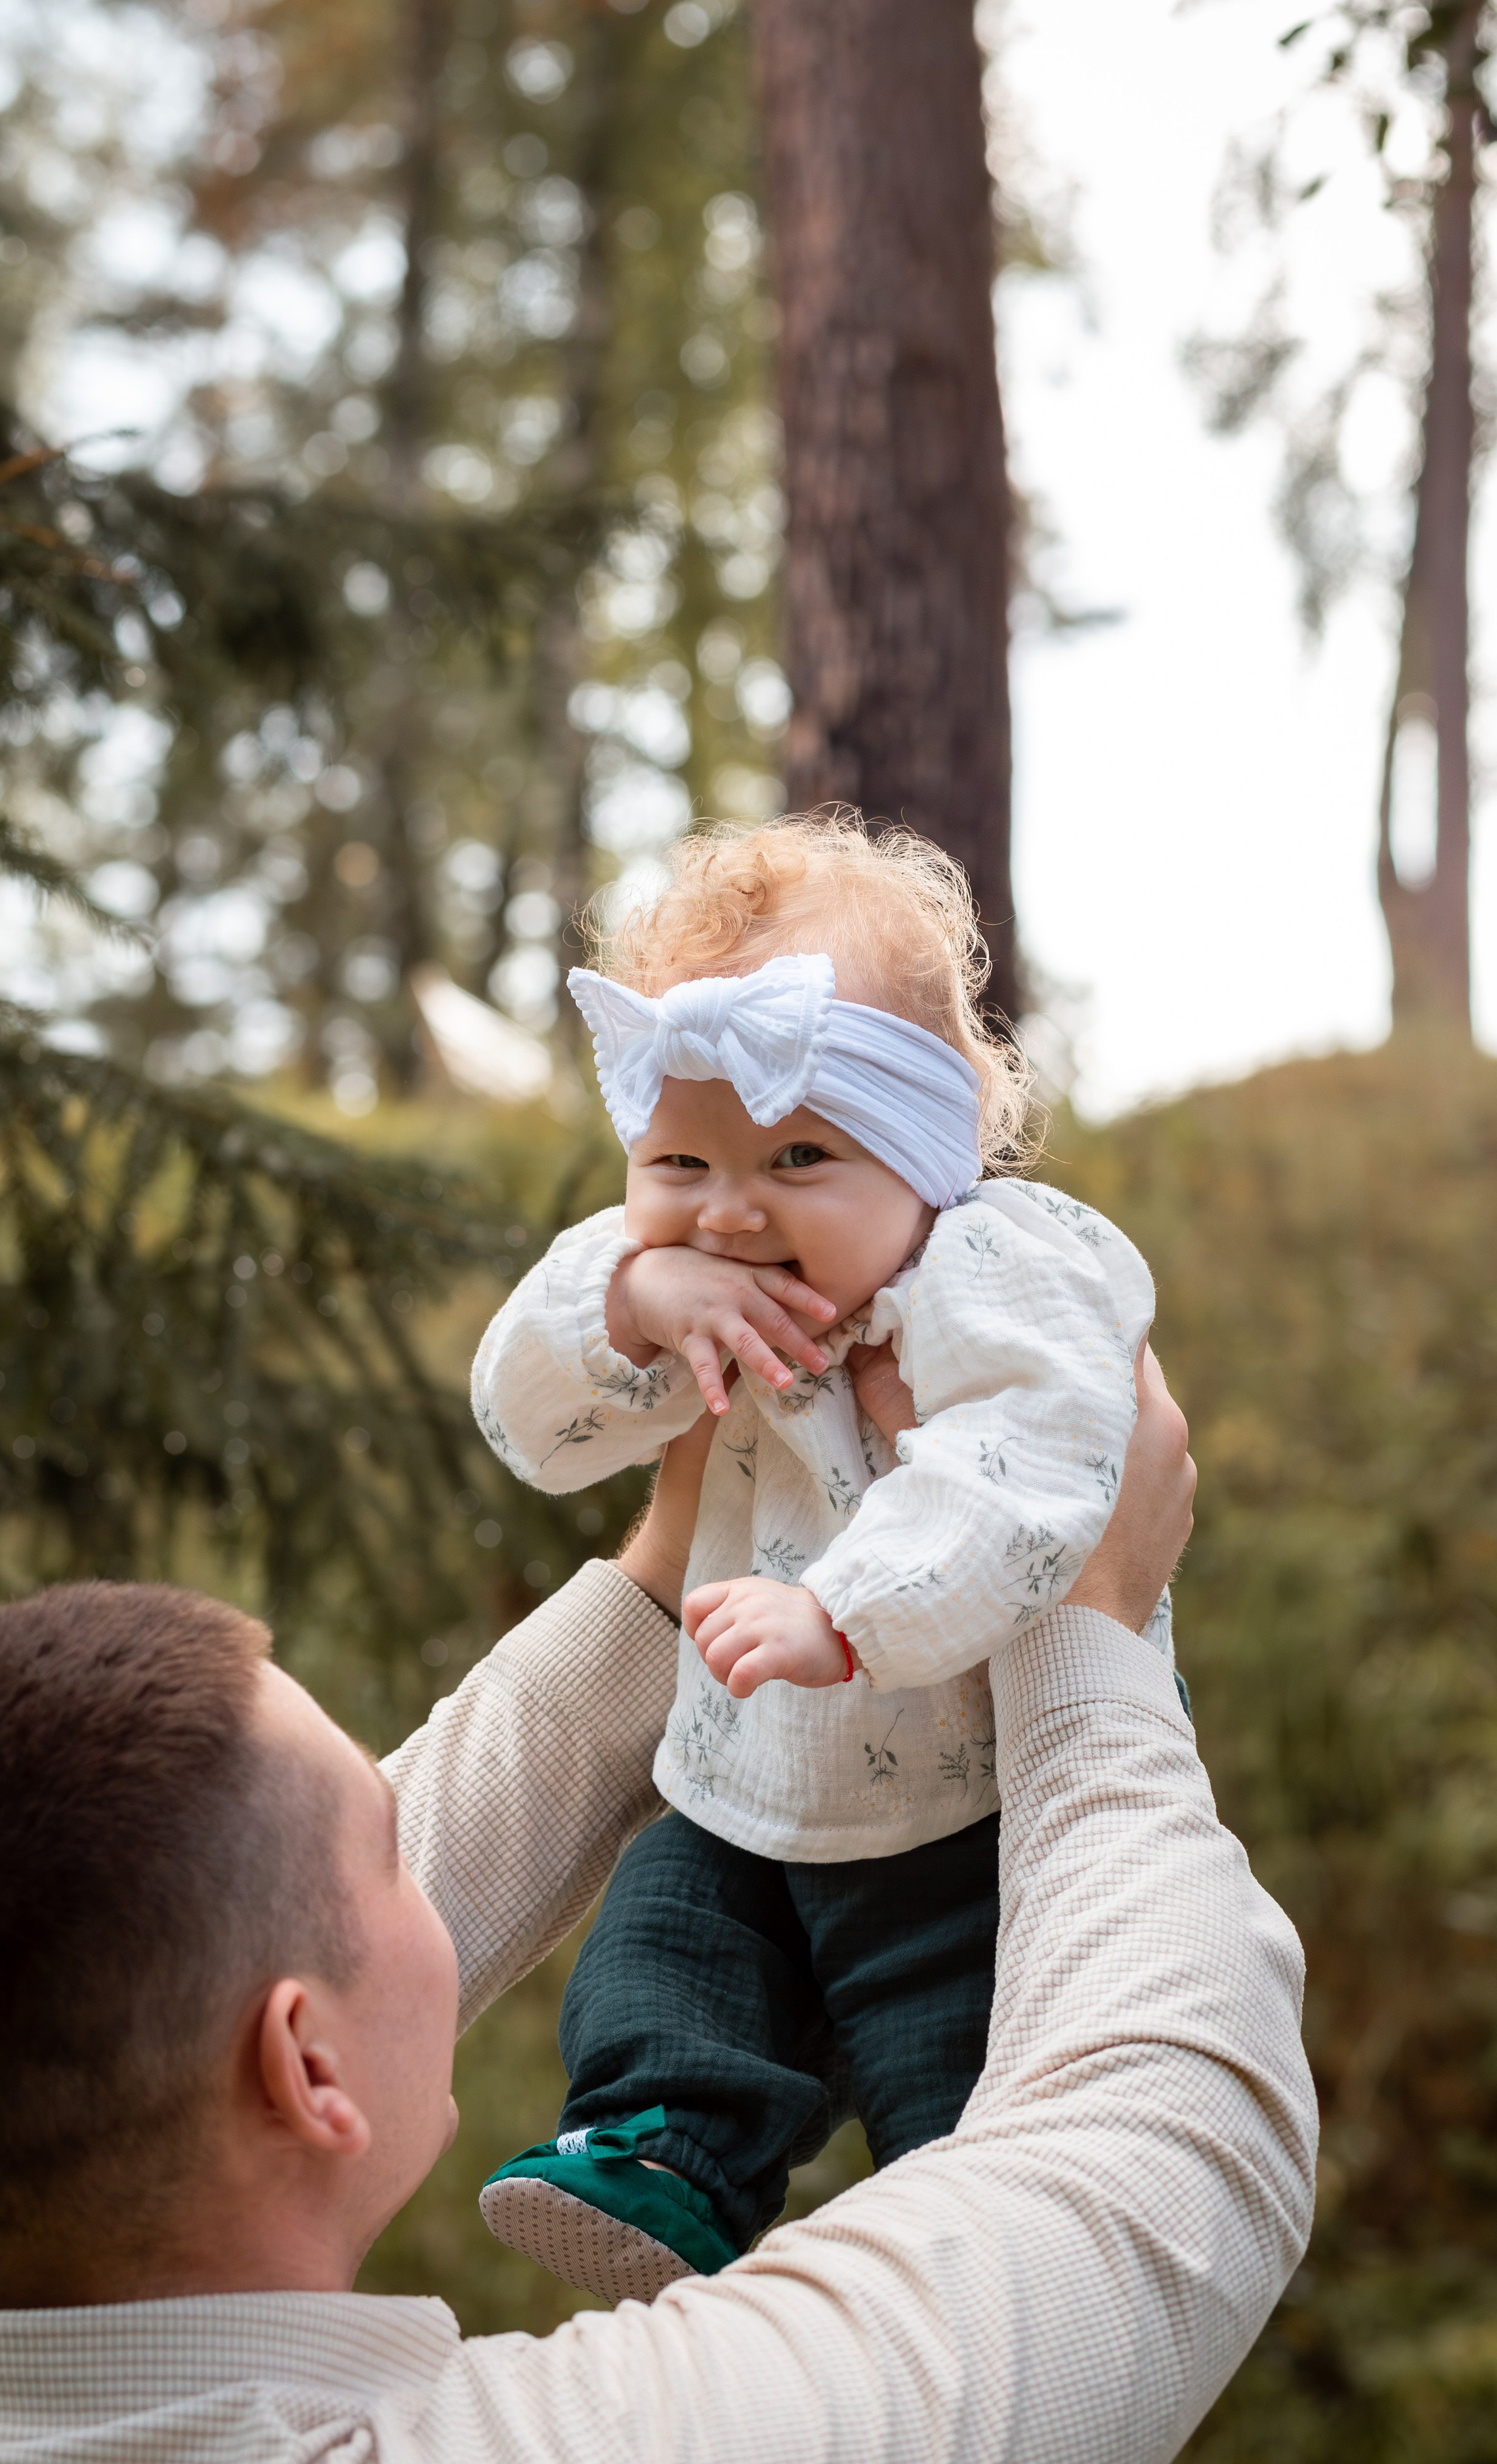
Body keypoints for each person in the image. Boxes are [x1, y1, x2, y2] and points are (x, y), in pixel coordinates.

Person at [0, 1342, 1315, 2464]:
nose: (407, 1837)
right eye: (379, 1840)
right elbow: (1162, 2142)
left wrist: (670, 1570)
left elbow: (242, 1911)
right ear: (305, 2067)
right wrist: (1090, 1627)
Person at [472, 811, 1173, 2299]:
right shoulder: (690, 1281)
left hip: (956, 1810)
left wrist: (840, 1607)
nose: (731, 1206)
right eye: (681, 1159)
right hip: (739, 1773)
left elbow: (1035, 1469)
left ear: (928, 1150)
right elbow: (528, 1421)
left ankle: (967, 2256)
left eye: (799, 1154)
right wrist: (629, 1290)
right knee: (659, 1948)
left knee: (952, 2068)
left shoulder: (994, 1267)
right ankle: (665, 2151)